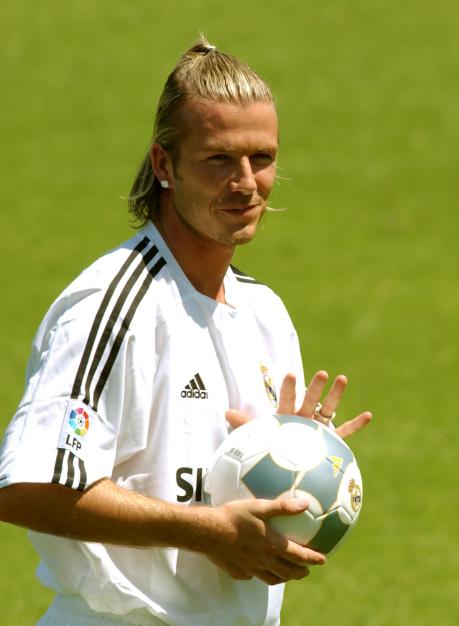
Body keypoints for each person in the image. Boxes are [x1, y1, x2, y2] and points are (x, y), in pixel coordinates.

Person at [0, 38, 372, 626]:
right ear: (163, 164)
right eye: (219, 160)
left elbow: (217, 489)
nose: (246, 183)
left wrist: (299, 458)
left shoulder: (264, 313)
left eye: (263, 158)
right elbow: (29, 486)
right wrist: (208, 533)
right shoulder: (113, 306)